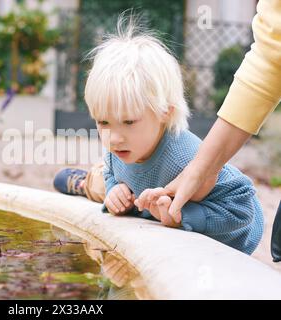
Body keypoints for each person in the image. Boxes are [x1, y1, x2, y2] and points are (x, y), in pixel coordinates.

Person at [54, 13, 264, 255]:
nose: (113, 138)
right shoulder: (121, 145)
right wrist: (113, 190)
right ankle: (89, 182)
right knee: (107, 180)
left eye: (129, 121)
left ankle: (89, 182)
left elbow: (244, 210)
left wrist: (184, 216)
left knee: (112, 184)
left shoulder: (186, 157)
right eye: (103, 122)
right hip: (140, 193)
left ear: (165, 112)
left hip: (227, 247)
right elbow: (113, 170)